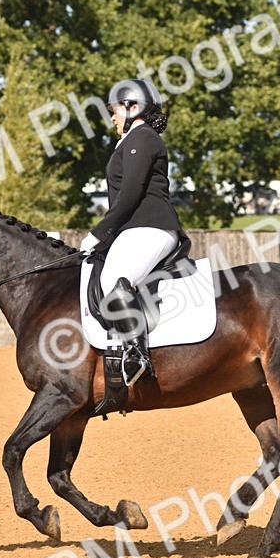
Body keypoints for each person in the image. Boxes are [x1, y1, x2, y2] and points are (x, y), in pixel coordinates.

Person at [79, 79, 185, 387]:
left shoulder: (143, 137)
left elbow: (130, 193)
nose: (112, 116)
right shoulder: (131, 140)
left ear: (133, 107)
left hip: (152, 226)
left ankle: (138, 356)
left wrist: (99, 232)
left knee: (114, 280)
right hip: (135, 229)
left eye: (114, 110)